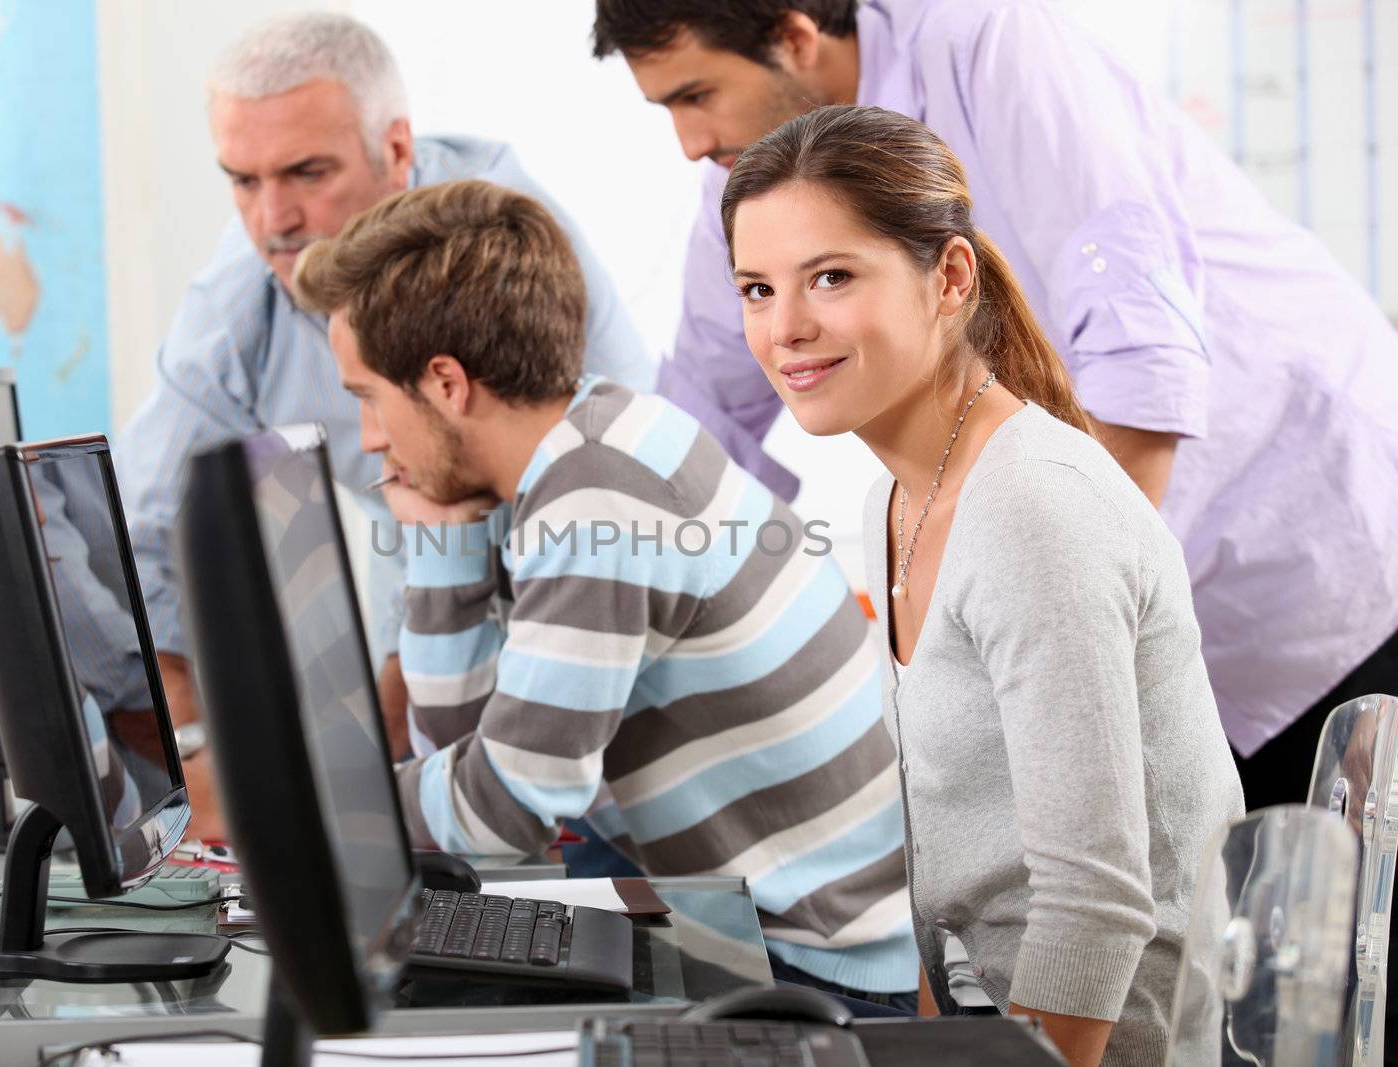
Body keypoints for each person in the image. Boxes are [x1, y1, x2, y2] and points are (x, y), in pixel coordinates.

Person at [592, 0, 1398, 805]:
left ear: (796, 39)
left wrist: (1033, 629)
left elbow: (1137, 361)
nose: (691, 142)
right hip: (1154, 627)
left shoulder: (995, 46)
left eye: (694, 96)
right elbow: (703, 425)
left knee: (1341, 915)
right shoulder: (755, 181)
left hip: (1310, 548)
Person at [291, 178, 920, 1011]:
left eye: (369, 396)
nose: (369, 438)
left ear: (446, 384)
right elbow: (464, 748)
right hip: (746, 914)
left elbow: (502, 809)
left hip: (809, 966)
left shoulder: (600, 504)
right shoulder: (596, 432)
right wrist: (443, 531)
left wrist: (314, 815)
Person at [722, 103, 1244, 1066]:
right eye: (757, 288)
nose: (786, 328)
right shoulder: (896, 494)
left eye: (831, 277)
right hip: (981, 1018)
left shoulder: (1031, 509)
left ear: (950, 277)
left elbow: (1092, 902)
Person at [114, 12, 658, 837]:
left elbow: (601, 529)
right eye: (243, 179)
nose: (273, 219)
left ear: (396, 150)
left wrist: (328, 793)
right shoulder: (241, 298)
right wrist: (195, 752)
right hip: (440, 612)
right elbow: (142, 537)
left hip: (598, 690)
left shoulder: (525, 264)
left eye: (305, 173)